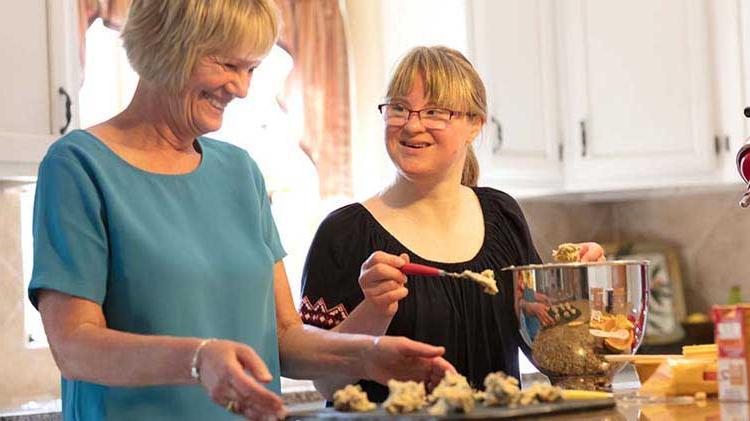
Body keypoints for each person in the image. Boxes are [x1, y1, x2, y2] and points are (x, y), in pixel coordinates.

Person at [28, 3, 453, 420]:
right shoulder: (79, 166)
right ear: (166, 46)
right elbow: (74, 346)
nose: (241, 88)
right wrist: (199, 359)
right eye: (227, 65)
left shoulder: (239, 171)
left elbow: (284, 338)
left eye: (250, 69)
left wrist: (369, 355)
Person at [300, 46, 605, 402]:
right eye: (398, 108)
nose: (412, 125)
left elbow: (544, 348)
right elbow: (324, 383)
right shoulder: (343, 233)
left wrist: (579, 288)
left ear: (475, 124)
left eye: (434, 112)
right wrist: (375, 310)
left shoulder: (502, 215)